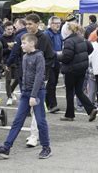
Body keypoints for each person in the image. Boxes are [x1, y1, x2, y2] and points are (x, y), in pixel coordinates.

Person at [0, 33, 51, 159]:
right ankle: (6, 147)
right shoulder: (25, 56)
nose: (21, 45)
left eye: (24, 43)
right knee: (17, 121)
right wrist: (25, 92)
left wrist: (33, 96)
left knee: (40, 121)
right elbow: (24, 76)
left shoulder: (39, 56)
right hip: (26, 93)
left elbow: (39, 77)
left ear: (32, 43)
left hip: (37, 93)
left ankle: (46, 147)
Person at [24, 13, 55, 147]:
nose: (28, 26)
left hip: (40, 78)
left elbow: (50, 57)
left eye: (30, 24)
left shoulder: (44, 37)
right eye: (26, 24)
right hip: (27, 78)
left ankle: (34, 135)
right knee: (32, 108)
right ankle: (34, 133)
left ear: (37, 24)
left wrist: (42, 73)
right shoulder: (25, 37)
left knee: (37, 106)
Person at [58, 22, 97, 122]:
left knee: (70, 92)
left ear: (69, 30)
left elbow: (66, 57)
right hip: (82, 68)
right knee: (79, 91)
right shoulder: (82, 38)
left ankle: (69, 114)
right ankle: (91, 109)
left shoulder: (69, 41)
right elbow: (90, 48)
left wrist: (57, 56)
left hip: (71, 69)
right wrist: (81, 57)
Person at [5, 18, 28, 105]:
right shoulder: (29, 34)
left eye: (16, 24)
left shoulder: (19, 36)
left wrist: (8, 63)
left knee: (23, 86)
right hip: (30, 63)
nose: (15, 26)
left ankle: (26, 107)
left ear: (21, 25)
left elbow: (15, 52)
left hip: (21, 62)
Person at [44, 16, 63, 113]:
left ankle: (50, 103)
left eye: (59, 23)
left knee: (54, 83)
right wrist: (58, 53)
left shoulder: (59, 34)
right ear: (50, 24)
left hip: (57, 62)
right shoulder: (47, 34)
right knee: (51, 83)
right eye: (56, 23)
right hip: (49, 62)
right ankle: (51, 105)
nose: (58, 25)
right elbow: (48, 49)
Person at [0, 21, 16, 106]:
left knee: (18, 78)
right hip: (6, 61)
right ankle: (9, 96)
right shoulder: (2, 38)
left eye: (11, 29)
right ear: (5, 30)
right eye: (8, 29)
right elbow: (1, 51)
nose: (10, 31)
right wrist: (9, 49)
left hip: (16, 60)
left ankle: (11, 90)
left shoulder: (16, 36)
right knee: (8, 79)